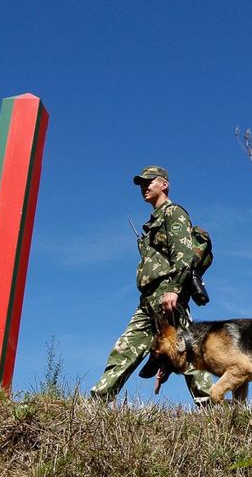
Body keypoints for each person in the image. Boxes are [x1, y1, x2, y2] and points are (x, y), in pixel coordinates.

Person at [90, 165, 214, 404]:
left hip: (167, 295)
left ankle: (212, 406)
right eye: (141, 184)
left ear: (164, 184)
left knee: (186, 351)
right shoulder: (151, 224)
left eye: (149, 182)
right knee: (125, 348)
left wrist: (174, 289)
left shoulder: (173, 213)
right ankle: (98, 401)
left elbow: (183, 255)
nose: (144, 187)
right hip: (148, 299)